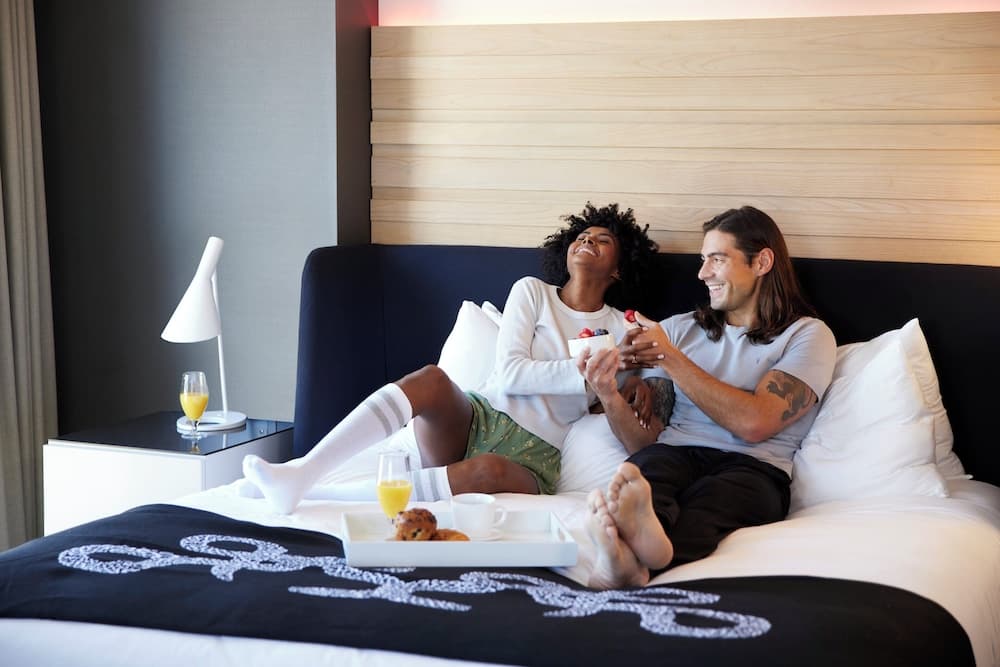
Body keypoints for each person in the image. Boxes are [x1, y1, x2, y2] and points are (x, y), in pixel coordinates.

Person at [241, 202, 660, 514]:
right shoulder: (532, 292)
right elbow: (510, 375)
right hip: (477, 416)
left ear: (619, 270)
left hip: (535, 453)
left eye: (602, 240)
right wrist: (589, 372)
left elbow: (628, 406)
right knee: (432, 379)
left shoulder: (621, 328)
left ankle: (317, 493)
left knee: (488, 470)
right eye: (582, 236)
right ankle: (303, 471)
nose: (587, 241)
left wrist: (641, 384)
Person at [579, 205, 836, 589]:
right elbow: (643, 441)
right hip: (674, 452)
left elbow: (755, 423)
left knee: (713, 501)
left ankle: (637, 559)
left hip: (754, 468)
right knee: (648, 475)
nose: (702, 273)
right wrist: (607, 392)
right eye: (703, 260)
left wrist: (670, 357)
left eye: (717, 259)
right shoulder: (678, 331)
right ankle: (637, 551)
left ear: (762, 262)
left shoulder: (807, 335)